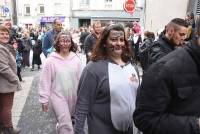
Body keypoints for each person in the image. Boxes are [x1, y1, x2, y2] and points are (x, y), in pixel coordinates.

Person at [133, 16, 200, 134]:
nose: (184, 38)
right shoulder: (164, 64)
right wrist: (196, 125)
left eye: (185, 35)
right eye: (181, 34)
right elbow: (145, 118)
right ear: (170, 31)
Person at [74, 24, 140, 134]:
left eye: (121, 39)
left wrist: (141, 127)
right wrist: (78, 130)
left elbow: (138, 100)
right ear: (104, 43)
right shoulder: (93, 68)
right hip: (101, 128)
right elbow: (82, 103)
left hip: (128, 130)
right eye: (113, 40)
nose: (118, 43)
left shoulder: (132, 67)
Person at [39, 32, 82, 134]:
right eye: (62, 41)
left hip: (73, 96)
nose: (65, 43)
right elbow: (45, 81)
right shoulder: (51, 61)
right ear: (57, 43)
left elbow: (81, 79)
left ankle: (61, 126)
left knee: (67, 120)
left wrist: (84, 96)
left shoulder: (76, 59)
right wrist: (44, 99)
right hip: (57, 96)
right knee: (66, 123)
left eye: (67, 41)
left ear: (71, 43)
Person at [0, 26, 21, 133]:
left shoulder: (4, 46)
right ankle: (8, 128)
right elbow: (3, 67)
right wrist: (15, 79)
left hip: (5, 83)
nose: (5, 35)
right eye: (2, 33)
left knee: (3, 106)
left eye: (6, 34)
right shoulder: (1, 48)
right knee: (7, 107)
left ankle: (3, 127)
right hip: (6, 83)